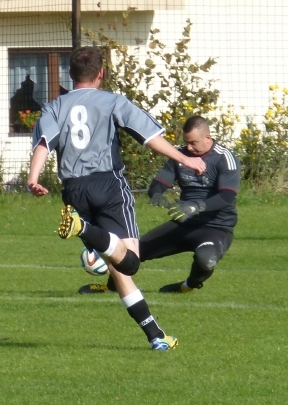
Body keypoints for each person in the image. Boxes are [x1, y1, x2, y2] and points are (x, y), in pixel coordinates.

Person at [27, 46, 205, 351]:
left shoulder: (54, 107)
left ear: (70, 75)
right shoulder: (112, 102)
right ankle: (82, 230)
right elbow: (149, 137)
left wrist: (33, 178)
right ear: (101, 74)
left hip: (73, 191)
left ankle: (156, 336)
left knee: (118, 268)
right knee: (131, 262)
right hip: (108, 185)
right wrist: (184, 159)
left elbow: (44, 143)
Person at [80, 114, 239, 296]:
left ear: (207, 138)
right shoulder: (180, 156)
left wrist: (197, 206)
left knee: (206, 261)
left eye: (193, 143)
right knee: (133, 252)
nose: (189, 147)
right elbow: (159, 182)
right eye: (187, 142)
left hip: (216, 227)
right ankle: (111, 287)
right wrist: (157, 194)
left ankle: (187, 286)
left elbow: (227, 195)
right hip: (183, 223)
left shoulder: (224, 158)